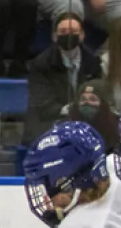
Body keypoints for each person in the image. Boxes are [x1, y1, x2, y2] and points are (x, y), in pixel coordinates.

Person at [25, 12, 103, 147]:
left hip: (86, 122)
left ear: (82, 35)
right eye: (63, 31)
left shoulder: (93, 62)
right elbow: (42, 106)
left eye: (73, 31)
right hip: (48, 123)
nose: (68, 35)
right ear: (54, 36)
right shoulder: (41, 64)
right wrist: (73, 109)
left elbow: (99, 95)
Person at [63, 79, 121, 150]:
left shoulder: (117, 127)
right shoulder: (66, 125)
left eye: (93, 99)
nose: (87, 103)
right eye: (83, 99)